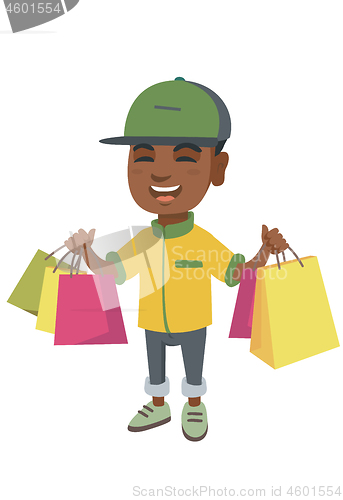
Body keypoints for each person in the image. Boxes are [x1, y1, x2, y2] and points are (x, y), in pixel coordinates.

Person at [65, 78, 288, 441]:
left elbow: (235, 276)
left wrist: (263, 252)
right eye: (145, 155)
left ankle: (195, 405)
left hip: (193, 325)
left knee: (194, 369)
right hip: (152, 323)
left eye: (184, 157)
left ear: (217, 169)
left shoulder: (201, 241)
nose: (161, 172)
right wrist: (86, 252)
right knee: (154, 369)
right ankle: (158, 403)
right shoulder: (142, 240)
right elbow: (111, 274)